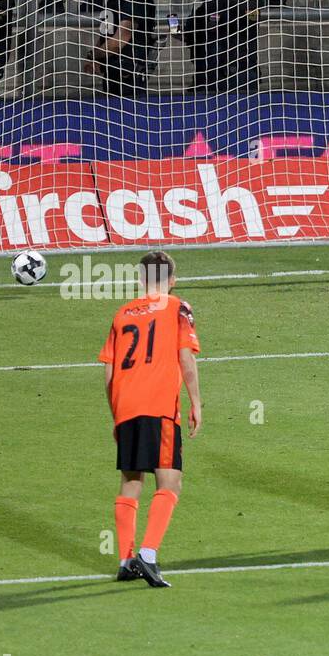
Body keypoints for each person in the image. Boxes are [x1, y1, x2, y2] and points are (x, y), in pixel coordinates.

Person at [98, 252, 203, 588]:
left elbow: (109, 371)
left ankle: (126, 559)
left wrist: (117, 413)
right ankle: (148, 554)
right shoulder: (177, 307)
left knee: (131, 481)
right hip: (159, 406)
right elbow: (185, 357)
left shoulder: (122, 313)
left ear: (141, 280)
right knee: (170, 481)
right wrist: (196, 402)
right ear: (171, 280)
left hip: (126, 405)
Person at [182, 0, 261, 94]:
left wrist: (177, 30)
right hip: (248, 74)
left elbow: (190, 35)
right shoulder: (250, 4)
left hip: (214, 78)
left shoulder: (208, 7)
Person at [85, 0, 159, 97]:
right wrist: (97, 59)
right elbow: (105, 33)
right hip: (111, 71)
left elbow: (118, 42)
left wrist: (93, 55)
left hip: (129, 74)